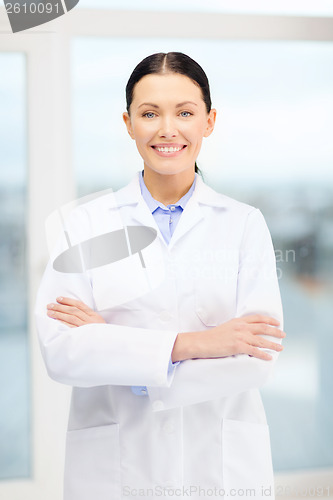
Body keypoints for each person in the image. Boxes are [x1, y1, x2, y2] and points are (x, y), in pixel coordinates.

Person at [35, 52, 285, 500]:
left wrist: (114, 344)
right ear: (128, 122)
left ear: (208, 121)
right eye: (149, 113)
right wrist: (194, 345)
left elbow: (255, 359)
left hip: (220, 468)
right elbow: (63, 352)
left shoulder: (244, 223)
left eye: (185, 113)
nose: (167, 129)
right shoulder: (87, 225)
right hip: (114, 471)